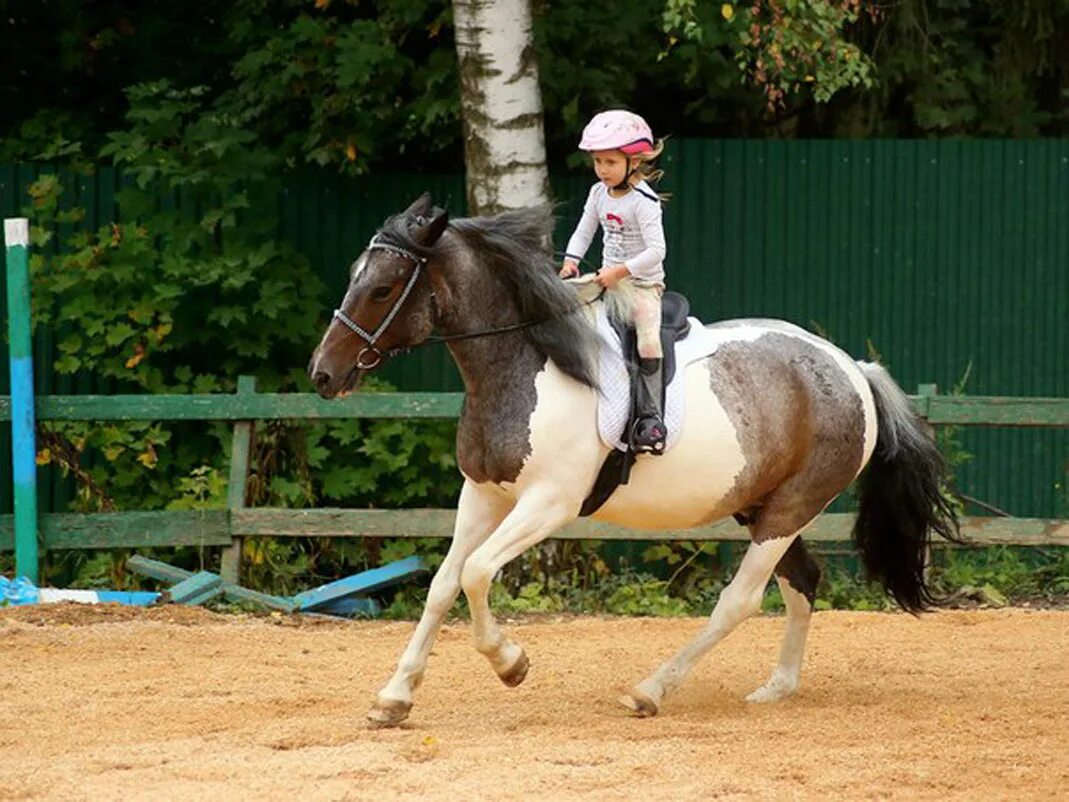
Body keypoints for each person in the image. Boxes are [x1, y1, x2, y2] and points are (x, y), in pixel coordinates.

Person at [559, 109, 668, 454]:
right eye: (598, 162)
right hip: (604, 281)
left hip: (641, 286)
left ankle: (651, 417)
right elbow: (584, 230)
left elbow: (657, 251)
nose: (603, 170)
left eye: (610, 162)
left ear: (633, 162)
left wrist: (621, 271)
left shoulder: (645, 201)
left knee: (648, 340)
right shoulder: (597, 194)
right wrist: (571, 261)